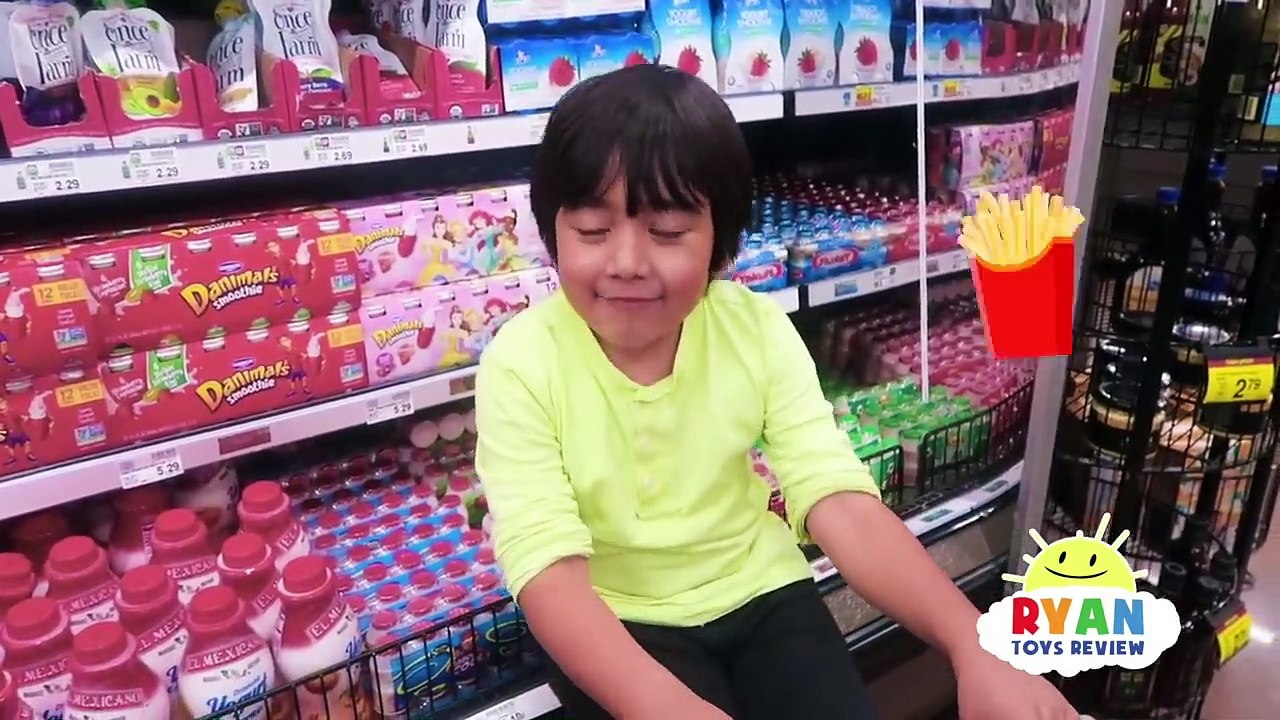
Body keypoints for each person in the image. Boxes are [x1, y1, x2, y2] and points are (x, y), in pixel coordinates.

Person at [473, 64, 1077, 720]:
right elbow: (547, 572)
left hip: (761, 591)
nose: (625, 261)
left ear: (720, 243)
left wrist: (973, 643)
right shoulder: (522, 363)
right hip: (612, 615)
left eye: (669, 233)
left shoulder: (754, 328)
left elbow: (836, 497)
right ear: (552, 232)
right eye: (592, 230)